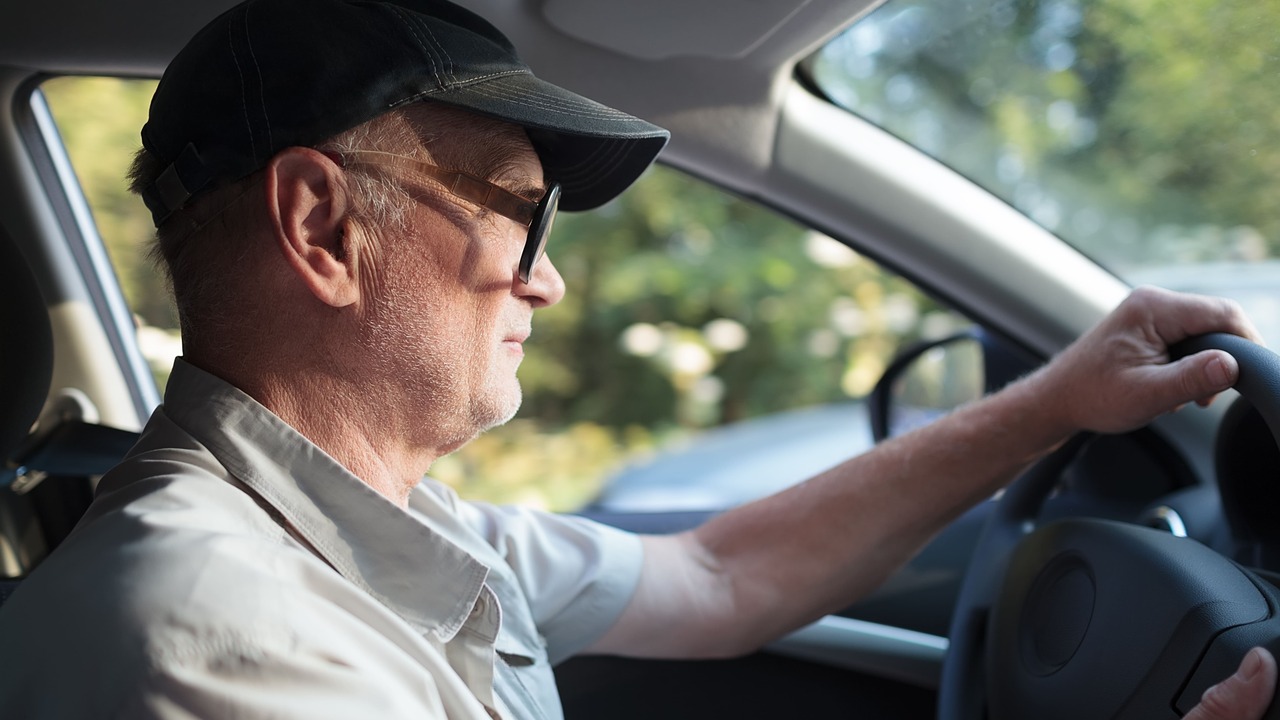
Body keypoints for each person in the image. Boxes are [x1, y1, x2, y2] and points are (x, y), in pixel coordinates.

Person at [0, 0, 1274, 717]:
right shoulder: (210, 640)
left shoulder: (375, 530)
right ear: (323, 228)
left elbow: (718, 575)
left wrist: (1051, 401)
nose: (546, 276)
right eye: (521, 212)